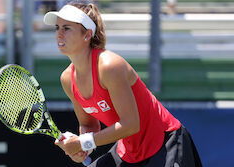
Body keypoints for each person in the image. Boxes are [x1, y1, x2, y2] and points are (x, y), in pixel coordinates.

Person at [43, 1, 202, 166]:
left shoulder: (109, 66)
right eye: (57, 28)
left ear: (87, 35)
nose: (59, 34)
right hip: (129, 152)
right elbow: (88, 124)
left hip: (165, 143)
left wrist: (84, 142)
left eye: (66, 28)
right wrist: (83, 148)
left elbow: (131, 125)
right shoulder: (67, 79)